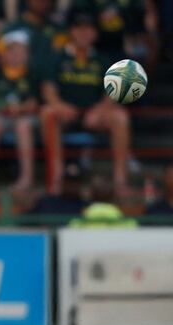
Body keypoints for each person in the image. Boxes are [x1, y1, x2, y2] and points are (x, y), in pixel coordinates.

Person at [40, 12, 132, 197]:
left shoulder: (102, 60)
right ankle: (55, 179)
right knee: (47, 113)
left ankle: (120, 181)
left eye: (89, 29)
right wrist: (60, 106)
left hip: (93, 115)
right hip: (65, 114)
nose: (84, 33)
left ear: (95, 33)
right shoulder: (57, 57)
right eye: (79, 28)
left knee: (121, 117)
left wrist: (100, 109)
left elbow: (111, 92)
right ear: (71, 31)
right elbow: (48, 90)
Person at [0, 30, 39, 194]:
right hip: (2, 115)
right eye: (12, 50)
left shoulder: (33, 73)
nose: (16, 55)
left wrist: (21, 108)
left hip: (27, 117)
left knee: (23, 126)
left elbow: (35, 102)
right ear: (4, 53)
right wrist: (2, 107)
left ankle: (26, 180)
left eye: (21, 51)